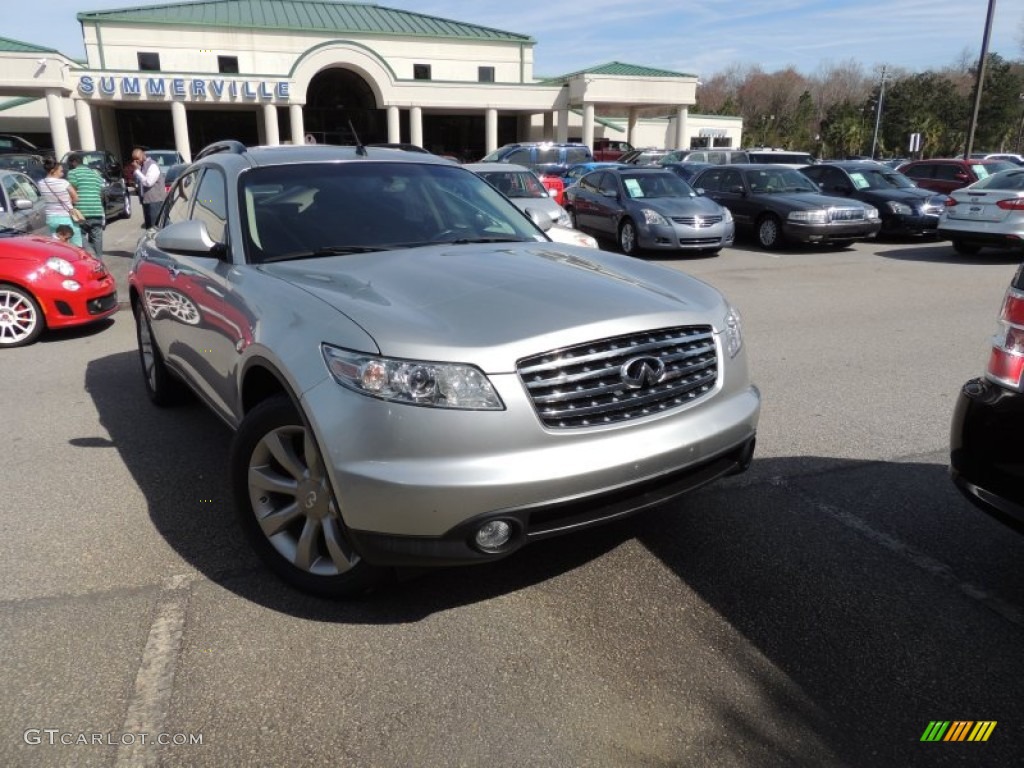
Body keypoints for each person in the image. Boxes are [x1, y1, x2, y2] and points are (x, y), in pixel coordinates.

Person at [66, 152, 106, 261]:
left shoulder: (73, 173)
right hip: (97, 210)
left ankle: (90, 255)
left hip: (81, 211)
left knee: (79, 235)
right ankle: (99, 261)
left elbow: (71, 192)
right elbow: (101, 191)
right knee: (97, 238)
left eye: (69, 163)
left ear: (73, 162)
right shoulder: (95, 174)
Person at [39, 156, 82, 246]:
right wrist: (68, 201)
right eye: (60, 171)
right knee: (74, 246)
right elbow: (76, 198)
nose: (62, 173)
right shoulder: (63, 183)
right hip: (65, 218)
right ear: (53, 171)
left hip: (51, 219)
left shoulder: (41, 183)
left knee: (58, 245)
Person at [130, 147, 167, 228]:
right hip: (146, 201)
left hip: (155, 201)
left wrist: (137, 171)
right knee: (149, 227)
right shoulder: (141, 167)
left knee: (155, 227)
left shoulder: (152, 165)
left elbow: (148, 182)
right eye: (134, 160)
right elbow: (138, 182)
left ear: (143, 156)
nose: (136, 161)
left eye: (137, 159)